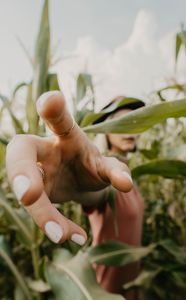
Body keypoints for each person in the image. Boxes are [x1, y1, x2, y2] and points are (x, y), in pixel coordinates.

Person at [5, 91, 144, 299]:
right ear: (105, 129)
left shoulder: (129, 175)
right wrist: (77, 183)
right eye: (120, 121)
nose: (129, 128)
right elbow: (95, 194)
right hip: (102, 288)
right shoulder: (102, 178)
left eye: (134, 121)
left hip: (133, 285)